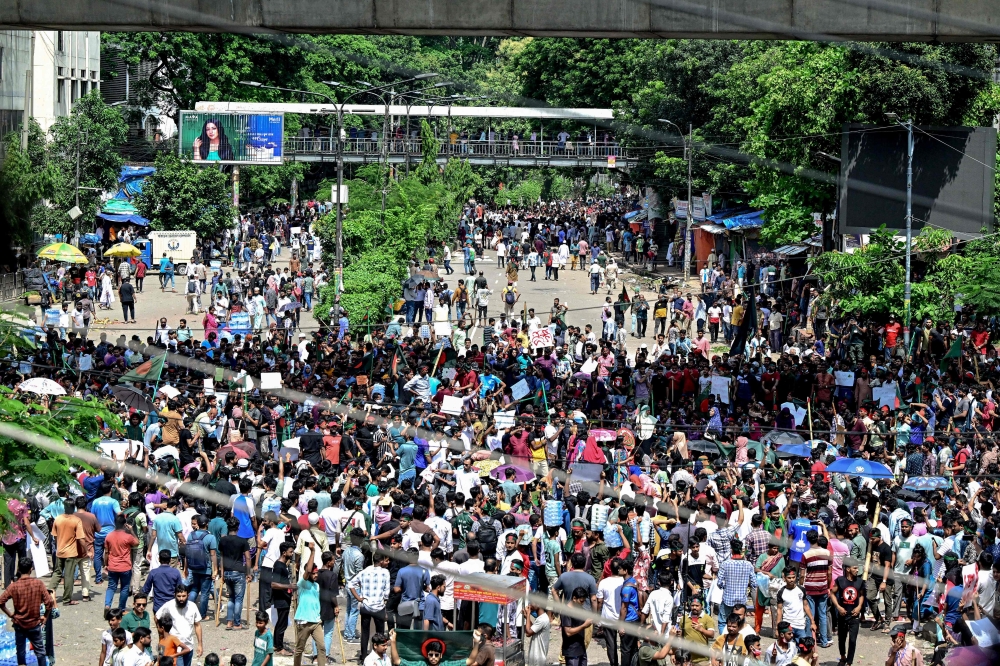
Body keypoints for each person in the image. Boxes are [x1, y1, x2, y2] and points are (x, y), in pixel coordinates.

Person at [0, 560, 55, 666]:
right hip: (34, 624)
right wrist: (45, 617)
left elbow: (1, 602)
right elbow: (49, 602)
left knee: (20, 652)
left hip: (19, 624)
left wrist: (10, 614)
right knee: (40, 652)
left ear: (19, 570)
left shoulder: (14, 586)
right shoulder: (38, 584)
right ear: (31, 569)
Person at [292, 542, 325, 666]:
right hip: (304, 621)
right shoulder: (303, 583)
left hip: (316, 621)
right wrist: (313, 552)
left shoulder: (316, 585)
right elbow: (308, 570)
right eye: (313, 573)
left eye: (317, 573)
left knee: (321, 647)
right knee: (300, 649)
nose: (316, 575)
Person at [155, 586, 203, 666]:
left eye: (183, 596)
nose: (181, 599)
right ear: (175, 595)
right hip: (174, 648)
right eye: (179, 596)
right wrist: (161, 633)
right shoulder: (169, 605)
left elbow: (197, 625)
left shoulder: (193, 606)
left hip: (189, 645)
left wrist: (200, 645)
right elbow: (157, 617)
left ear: (188, 595)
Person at [829, 558, 865, 666]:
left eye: (857, 568)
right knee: (842, 639)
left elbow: (862, 595)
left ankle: (849, 662)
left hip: (854, 616)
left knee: (852, 640)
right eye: (855, 568)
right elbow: (832, 593)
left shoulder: (860, 581)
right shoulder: (840, 580)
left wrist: (859, 607)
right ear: (848, 569)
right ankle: (843, 657)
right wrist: (838, 607)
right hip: (842, 615)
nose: (857, 570)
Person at [523, 600, 550, 666]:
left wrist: (528, 614)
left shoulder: (542, 619)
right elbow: (533, 628)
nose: (530, 605)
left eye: (532, 602)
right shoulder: (541, 617)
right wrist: (526, 617)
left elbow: (528, 633)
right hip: (537, 654)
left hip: (538, 655)